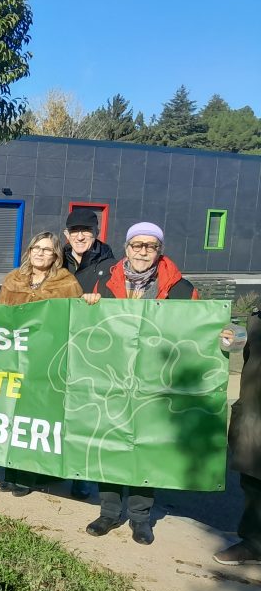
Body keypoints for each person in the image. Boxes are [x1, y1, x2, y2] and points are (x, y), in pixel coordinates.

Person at [83, 221, 199, 546]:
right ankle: (108, 511)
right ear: (127, 248)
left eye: (150, 246)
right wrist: (88, 304)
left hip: (156, 380)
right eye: (137, 245)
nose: (143, 251)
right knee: (109, 443)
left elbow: (197, 329)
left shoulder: (180, 288)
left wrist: (222, 332)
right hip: (113, 376)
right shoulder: (106, 281)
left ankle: (140, 517)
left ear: (159, 250)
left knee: (144, 446)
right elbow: (89, 326)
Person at [0, 232, 82, 496]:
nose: (41, 253)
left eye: (47, 249)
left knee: (34, 419)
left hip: (46, 361)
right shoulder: (13, 279)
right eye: (36, 248)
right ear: (29, 251)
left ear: (56, 255)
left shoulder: (67, 283)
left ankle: (28, 473)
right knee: (10, 414)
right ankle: (10, 471)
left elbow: (75, 321)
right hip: (15, 358)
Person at [214, 306, 261, 565]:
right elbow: (243, 344)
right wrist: (234, 335)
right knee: (252, 480)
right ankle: (254, 541)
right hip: (253, 410)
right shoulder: (257, 317)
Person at [62, 208, 115, 293]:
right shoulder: (58, 262)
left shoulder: (111, 267)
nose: (80, 237)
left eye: (86, 230)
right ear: (67, 234)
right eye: (74, 230)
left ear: (96, 233)